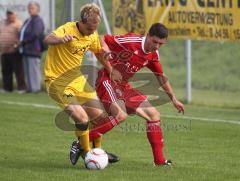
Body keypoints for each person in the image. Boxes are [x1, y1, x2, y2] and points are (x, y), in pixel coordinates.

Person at [87, 23, 185, 166]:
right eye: (155, 42)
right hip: (106, 80)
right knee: (120, 115)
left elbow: (161, 77)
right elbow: (102, 38)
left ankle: (159, 161)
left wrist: (174, 99)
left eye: (161, 44)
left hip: (123, 86)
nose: (157, 46)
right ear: (148, 35)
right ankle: (81, 142)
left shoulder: (153, 55)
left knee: (154, 115)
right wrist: (106, 51)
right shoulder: (132, 41)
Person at [44, 3, 120, 166]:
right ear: (82, 22)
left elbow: (99, 52)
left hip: (78, 81)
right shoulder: (68, 29)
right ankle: (87, 152)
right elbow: (48, 38)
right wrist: (59, 40)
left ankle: (97, 151)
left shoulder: (92, 33)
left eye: (95, 29)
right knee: (82, 118)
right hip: (58, 82)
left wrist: (110, 69)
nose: (92, 32)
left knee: (99, 117)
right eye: (89, 29)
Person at [19, 1, 44, 93]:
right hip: (25, 49)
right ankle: (30, 88)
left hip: (33, 49)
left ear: (37, 9)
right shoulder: (28, 20)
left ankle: (36, 88)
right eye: (29, 7)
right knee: (27, 69)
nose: (30, 9)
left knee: (33, 69)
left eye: (32, 8)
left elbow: (35, 34)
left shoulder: (38, 20)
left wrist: (23, 41)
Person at [0, 10, 26, 93]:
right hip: (4, 51)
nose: (9, 16)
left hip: (15, 51)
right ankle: (7, 88)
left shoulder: (19, 24)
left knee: (18, 71)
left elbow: (21, 37)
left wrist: (15, 46)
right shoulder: (3, 23)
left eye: (11, 14)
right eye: (8, 14)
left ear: (15, 15)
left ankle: (21, 88)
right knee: (6, 71)